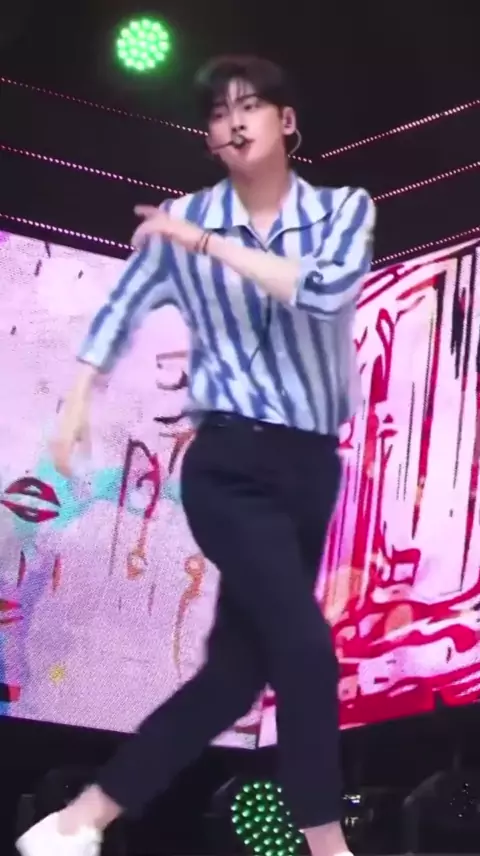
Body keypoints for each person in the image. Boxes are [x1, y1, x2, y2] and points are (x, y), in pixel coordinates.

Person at [17, 54, 375, 856]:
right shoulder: (184, 220)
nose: (233, 123)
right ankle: (328, 846)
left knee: (232, 679)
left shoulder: (340, 210)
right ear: (209, 138)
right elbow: (122, 308)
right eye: (218, 114)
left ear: (286, 121)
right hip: (230, 466)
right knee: (306, 653)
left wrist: (206, 244)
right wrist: (77, 400)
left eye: (250, 106)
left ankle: (78, 822)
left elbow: (319, 291)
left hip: (309, 468)